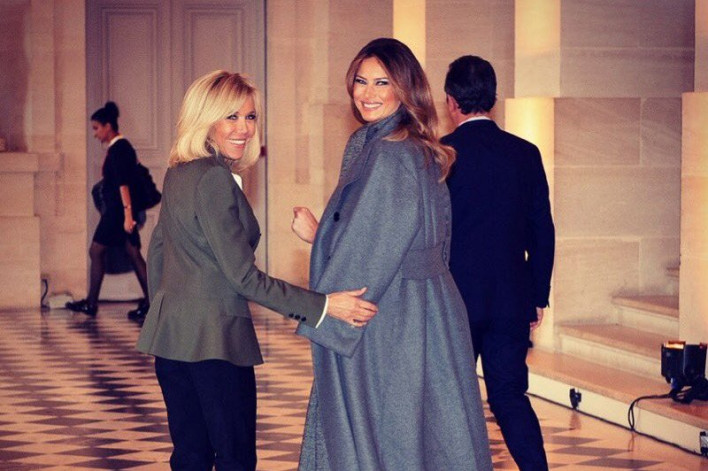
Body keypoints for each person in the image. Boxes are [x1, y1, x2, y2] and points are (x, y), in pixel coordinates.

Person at [135, 70, 377, 471]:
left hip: (173, 341)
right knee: (236, 459)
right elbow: (243, 277)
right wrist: (323, 306)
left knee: (191, 457)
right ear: (205, 118)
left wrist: (167, 313)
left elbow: (158, 250)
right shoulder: (213, 178)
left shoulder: (180, 171)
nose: (244, 129)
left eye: (250, 117)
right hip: (216, 343)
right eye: (231, 116)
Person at [292, 38, 493, 471]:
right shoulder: (414, 144)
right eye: (360, 81)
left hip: (392, 312)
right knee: (429, 433)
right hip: (430, 308)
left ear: (405, 88)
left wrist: (318, 240)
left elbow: (372, 249)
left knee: (388, 432)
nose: (367, 93)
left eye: (381, 82)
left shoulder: (388, 153)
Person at [442, 55, 555, 471]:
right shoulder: (525, 153)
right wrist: (537, 295)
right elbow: (542, 230)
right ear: (493, 98)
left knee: (451, 398)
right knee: (509, 395)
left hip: (453, 300)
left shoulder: (440, 154)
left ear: (450, 101)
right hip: (511, 298)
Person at [66, 101, 150, 319]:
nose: (95, 134)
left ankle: (92, 303)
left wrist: (128, 215)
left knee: (97, 251)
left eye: (96, 128)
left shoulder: (119, 148)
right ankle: (151, 303)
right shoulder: (121, 147)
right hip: (120, 211)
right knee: (132, 253)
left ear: (107, 126)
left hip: (117, 213)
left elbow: (123, 184)